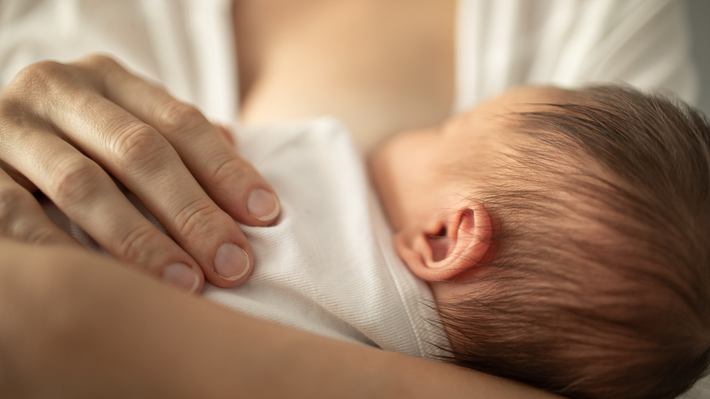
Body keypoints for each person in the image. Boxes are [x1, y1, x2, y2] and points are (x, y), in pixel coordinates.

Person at [0, 0, 701, 397]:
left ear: (444, 237)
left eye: (446, 128)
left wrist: (64, 307)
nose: (421, 130)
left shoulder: (598, 19)